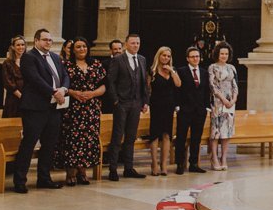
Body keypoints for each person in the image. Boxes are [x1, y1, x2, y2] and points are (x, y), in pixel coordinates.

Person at [13, 28, 70, 193]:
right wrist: (54, 92)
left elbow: (65, 76)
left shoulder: (55, 57)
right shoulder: (29, 57)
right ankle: (20, 181)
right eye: (45, 40)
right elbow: (35, 79)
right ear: (36, 40)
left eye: (50, 40)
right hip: (35, 107)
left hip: (54, 107)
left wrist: (64, 90)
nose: (48, 43)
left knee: (49, 144)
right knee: (29, 144)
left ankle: (44, 178)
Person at [59, 38, 106, 185]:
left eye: (84, 46)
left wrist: (93, 93)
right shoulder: (66, 65)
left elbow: (105, 85)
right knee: (72, 139)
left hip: (91, 107)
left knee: (88, 139)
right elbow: (61, 85)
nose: (82, 49)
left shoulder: (96, 64)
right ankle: (71, 173)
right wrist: (73, 93)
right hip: (73, 108)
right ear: (73, 50)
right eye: (78, 47)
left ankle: (83, 171)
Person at [106, 33, 149, 180]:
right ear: (126, 44)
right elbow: (111, 82)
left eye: (137, 43)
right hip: (122, 103)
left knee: (131, 137)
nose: (135, 45)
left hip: (136, 103)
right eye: (132, 43)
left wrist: (145, 101)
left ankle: (128, 168)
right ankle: (113, 169)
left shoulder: (142, 59)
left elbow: (144, 82)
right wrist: (116, 101)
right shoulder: (118, 59)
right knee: (117, 137)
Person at [175, 46, 209, 174]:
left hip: (199, 111)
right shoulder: (181, 71)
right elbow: (177, 90)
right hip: (184, 110)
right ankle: (180, 164)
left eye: (197, 56)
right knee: (181, 138)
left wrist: (206, 107)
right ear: (187, 59)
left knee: (196, 138)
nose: (195, 58)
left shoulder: (204, 72)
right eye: (193, 56)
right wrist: (178, 106)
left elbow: (206, 91)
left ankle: (193, 163)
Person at [147, 46, 181, 176]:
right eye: (163, 55)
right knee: (155, 135)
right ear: (159, 56)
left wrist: (172, 71)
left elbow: (178, 84)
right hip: (156, 105)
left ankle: (164, 164)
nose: (166, 58)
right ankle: (154, 163)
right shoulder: (152, 71)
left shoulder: (173, 70)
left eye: (168, 56)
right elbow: (147, 88)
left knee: (167, 135)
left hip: (169, 106)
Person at [208, 42, 238, 171]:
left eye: (226, 54)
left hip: (230, 104)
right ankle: (214, 157)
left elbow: (235, 85)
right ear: (217, 54)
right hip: (217, 102)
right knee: (216, 131)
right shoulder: (212, 67)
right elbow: (213, 86)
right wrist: (224, 99)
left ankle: (224, 158)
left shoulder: (232, 68)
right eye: (222, 53)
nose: (224, 56)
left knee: (227, 131)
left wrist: (233, 100)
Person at [0, 36, 26, 118]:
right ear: (13, 47)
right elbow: (8, 82)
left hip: (27, 98)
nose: (21, 47)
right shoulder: (7, 63)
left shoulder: (29, 61)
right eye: (18, 45)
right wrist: (21, 96)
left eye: (22, 45)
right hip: (13, 99)